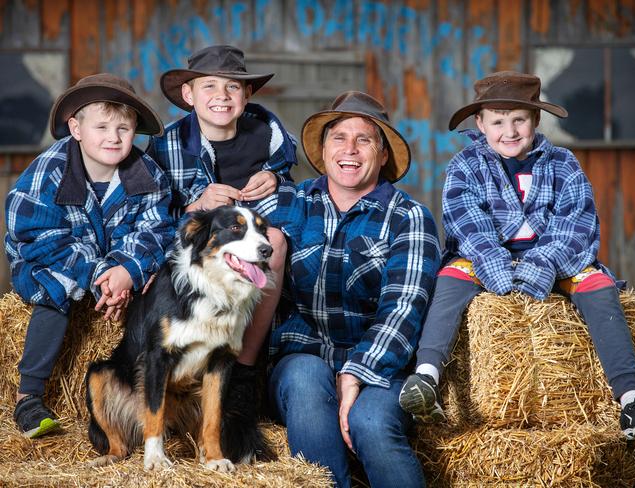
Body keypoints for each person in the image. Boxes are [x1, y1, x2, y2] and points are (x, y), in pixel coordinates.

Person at [398, 71, 635, 441]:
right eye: (498, 121)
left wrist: (544, 262)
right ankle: (427, 376)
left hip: (555, 258)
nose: (509, 131)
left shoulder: (563, 164)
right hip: (484, 257)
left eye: (519, 120)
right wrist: (495, 265)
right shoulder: (465, 167)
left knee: (598, 284)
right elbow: (467, 226)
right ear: (480, 124)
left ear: (535, 120)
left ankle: (631, 399)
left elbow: (576, 225)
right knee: (450, 279)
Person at [259, 91, 441, 488]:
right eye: (339, 137)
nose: (350, 150)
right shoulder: (291, 202)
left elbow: (404, 309)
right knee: (306, 385)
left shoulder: (409, 218)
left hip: (382, 367)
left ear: (383, 154)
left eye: (365, 139)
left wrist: (355, 374)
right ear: (323, 150)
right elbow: (225, 240)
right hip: (300, 357)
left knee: (371, 422)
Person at [6, 73, 175, 438]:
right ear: (76, 129)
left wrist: (128, 271)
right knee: (55, 288)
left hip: (118, 264)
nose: (113, 138)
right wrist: (102, 273)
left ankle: (147, 395)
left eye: (124, 128)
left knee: (159, 283)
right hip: (52, 259)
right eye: (102, 127)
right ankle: (29, 395)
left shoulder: (148, 176)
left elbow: (156, 230)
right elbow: (38, 235)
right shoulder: (48, 170)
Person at [148, 45, 297, 389]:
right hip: (197, 255)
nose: (222, 96)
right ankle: (181, 358)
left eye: (232, 87)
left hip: (249, 244)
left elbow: (295, 194)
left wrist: (277, 179)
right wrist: (194, 206)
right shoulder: (166, 144)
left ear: (246, 95)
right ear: (189, 94)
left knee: (275, 241)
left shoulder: (269, 137)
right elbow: (150, 214)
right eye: (209, 86)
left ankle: (241, 367)